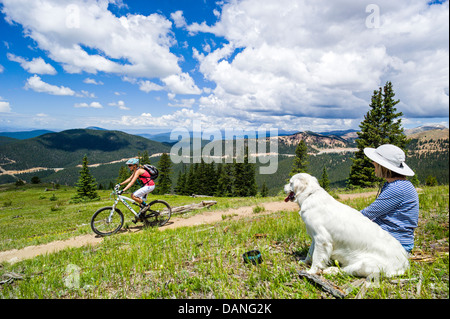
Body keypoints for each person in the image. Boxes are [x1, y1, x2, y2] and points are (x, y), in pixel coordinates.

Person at [361, 144, 419, 253]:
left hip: (394, 244)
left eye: (375, 163)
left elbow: (367, 214)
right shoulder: (397, 185)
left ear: (383, 167)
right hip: (394, 240)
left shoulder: (397, 189)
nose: (373, 164)